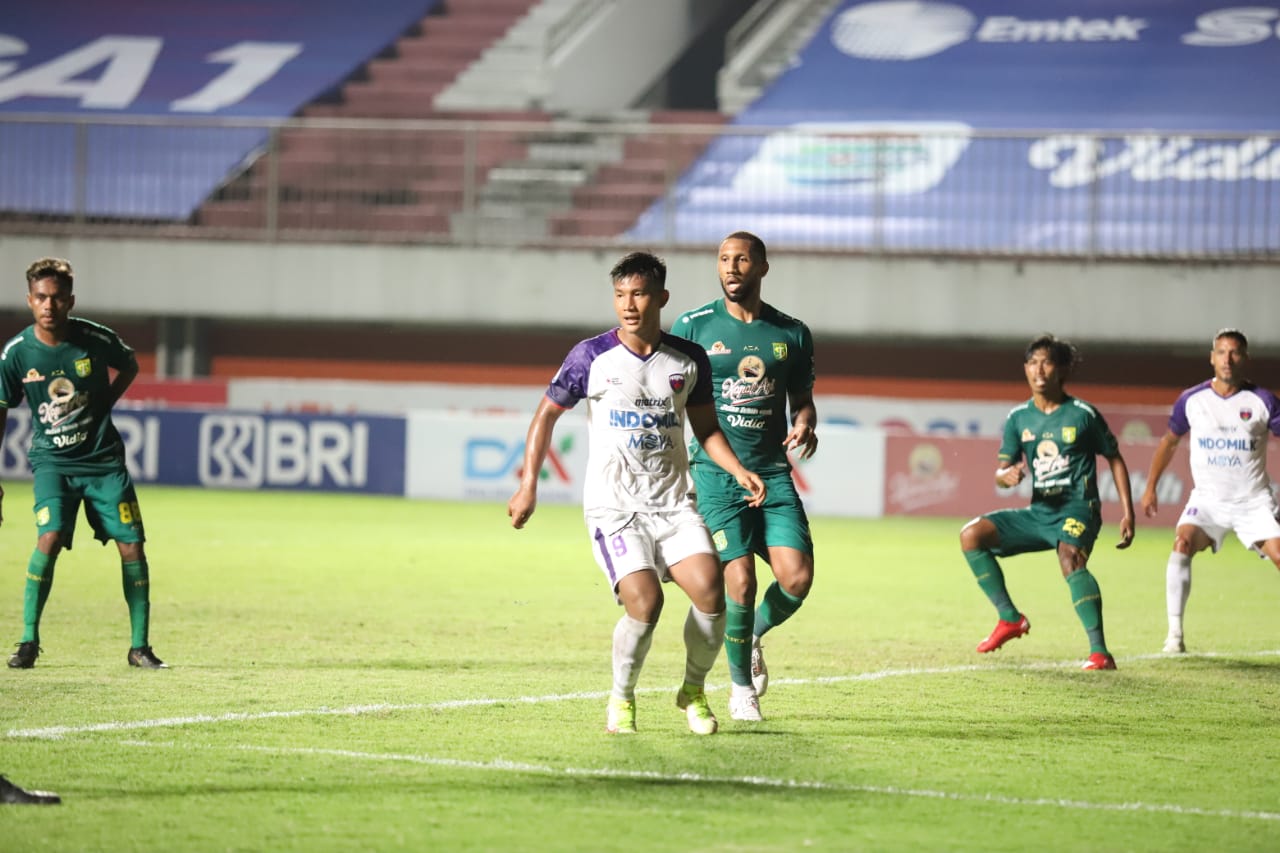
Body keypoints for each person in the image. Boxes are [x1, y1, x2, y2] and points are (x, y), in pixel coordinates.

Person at [508, 251, 766, 735]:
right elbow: (545, 415)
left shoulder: (688, 360)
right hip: (616, 507)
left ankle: (692, 690)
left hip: (673, 505)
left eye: (640, 294)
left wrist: (738, 469)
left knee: (713, 595)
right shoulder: (590, 357)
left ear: (661, 298)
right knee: (645, 603)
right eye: (621, 294)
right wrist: (528, 487)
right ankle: (621, 699)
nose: (629, 305)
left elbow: (707, 428)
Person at [673, 231, 817, 722]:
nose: (730, 267)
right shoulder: (692, 326)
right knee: (740, 580)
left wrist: (805, 423)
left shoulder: (792, 334)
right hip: (715, 475)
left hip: (773, 473)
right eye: (723, 259)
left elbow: (802, 400)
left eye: (741, 260)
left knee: (797, 579)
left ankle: (751, 633)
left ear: (762, 267)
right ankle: (740, 690)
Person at [1, 257, 166, 670]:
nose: (49, 305)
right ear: (29, 300)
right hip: (53, 463)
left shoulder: (95, 339)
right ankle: (27, 641)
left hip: (104, 462)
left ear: (70, 301)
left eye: (57, 298)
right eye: (41, 297)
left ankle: (139, 647)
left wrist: (105, 402)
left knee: (132, 545)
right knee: (50, 536)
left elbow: (129, 364)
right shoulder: (16, 355)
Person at [959, 334, 1135, 670]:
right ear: (1025, 369)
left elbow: (1114, 457)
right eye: (1032, 362)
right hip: (1040, 512)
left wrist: (1128, 513)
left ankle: (1100, 652)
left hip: (1079, 509)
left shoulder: (1083, 414)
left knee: (1069, 557)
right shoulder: (1018, 419)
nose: (1039, 369)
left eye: (1047, 361)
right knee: (971, 536)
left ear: (1062, 369)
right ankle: (1009, 618)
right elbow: (1002, 470)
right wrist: (1004, 476)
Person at [1140, 328, 1280, 654]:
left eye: (1234, 353)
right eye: (1221, 352)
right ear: (1211, 357)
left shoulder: (1262, 400)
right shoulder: (1192, 399)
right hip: (1208, 501)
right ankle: (1174, 636)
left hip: (1253, 501)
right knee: (1182, 543)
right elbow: (1169, 442)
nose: (1227, 359)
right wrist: (1150, 488)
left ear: (1245, 358)